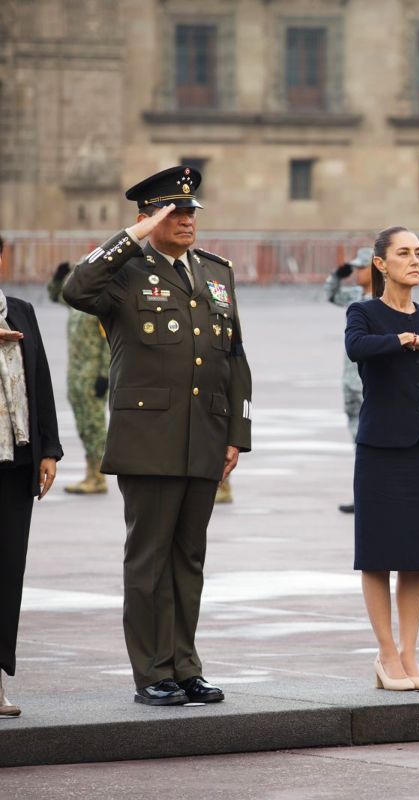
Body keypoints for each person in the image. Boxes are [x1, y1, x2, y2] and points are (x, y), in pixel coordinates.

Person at [63, 165, 252, 705]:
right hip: (149, 436)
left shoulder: (216, 273)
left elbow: (233, 355)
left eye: (192, 211)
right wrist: (131, 239)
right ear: (148, 218)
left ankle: (186, 665)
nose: (188, 220)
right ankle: (152, 672)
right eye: (176, 212)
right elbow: (78, 288)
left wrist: (236, 432)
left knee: (188, 557)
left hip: (205, 435)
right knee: (148, 557)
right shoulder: (124, 271)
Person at [345, 225, 419, 691]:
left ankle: (410, 654)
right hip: (380, 451)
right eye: (403, 253)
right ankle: (386, 655)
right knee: (378, 556)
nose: (415, 260)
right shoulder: (364, 313)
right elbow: (356, 348)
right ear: (381, 263)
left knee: (416, 557)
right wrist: (402, 340)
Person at [1, 235, 64, 717]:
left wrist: (49, 449)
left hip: (15, 463)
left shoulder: (20, 310)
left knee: (7, 572)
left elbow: (39, 378)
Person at [46, 261, 110, 494]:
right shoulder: (77, 302)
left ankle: (99, 476)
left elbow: (108, 344)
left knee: (95, 426)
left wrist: (105, 375)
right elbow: (56, 296)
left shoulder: (99, 302)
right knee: (83, 425)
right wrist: (57, 277)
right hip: (76, 374)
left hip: (93, 375)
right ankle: (90, 473)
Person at [326, 246, 373, 514]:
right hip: (350, 382)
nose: (356, 273)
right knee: (358, 442)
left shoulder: (383, 300)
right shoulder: (356, 296)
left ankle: (371, 497)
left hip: (368, 383)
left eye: (360, 268)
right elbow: (330, 295)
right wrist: (337, 275)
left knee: (369, 443)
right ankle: (364, 495)